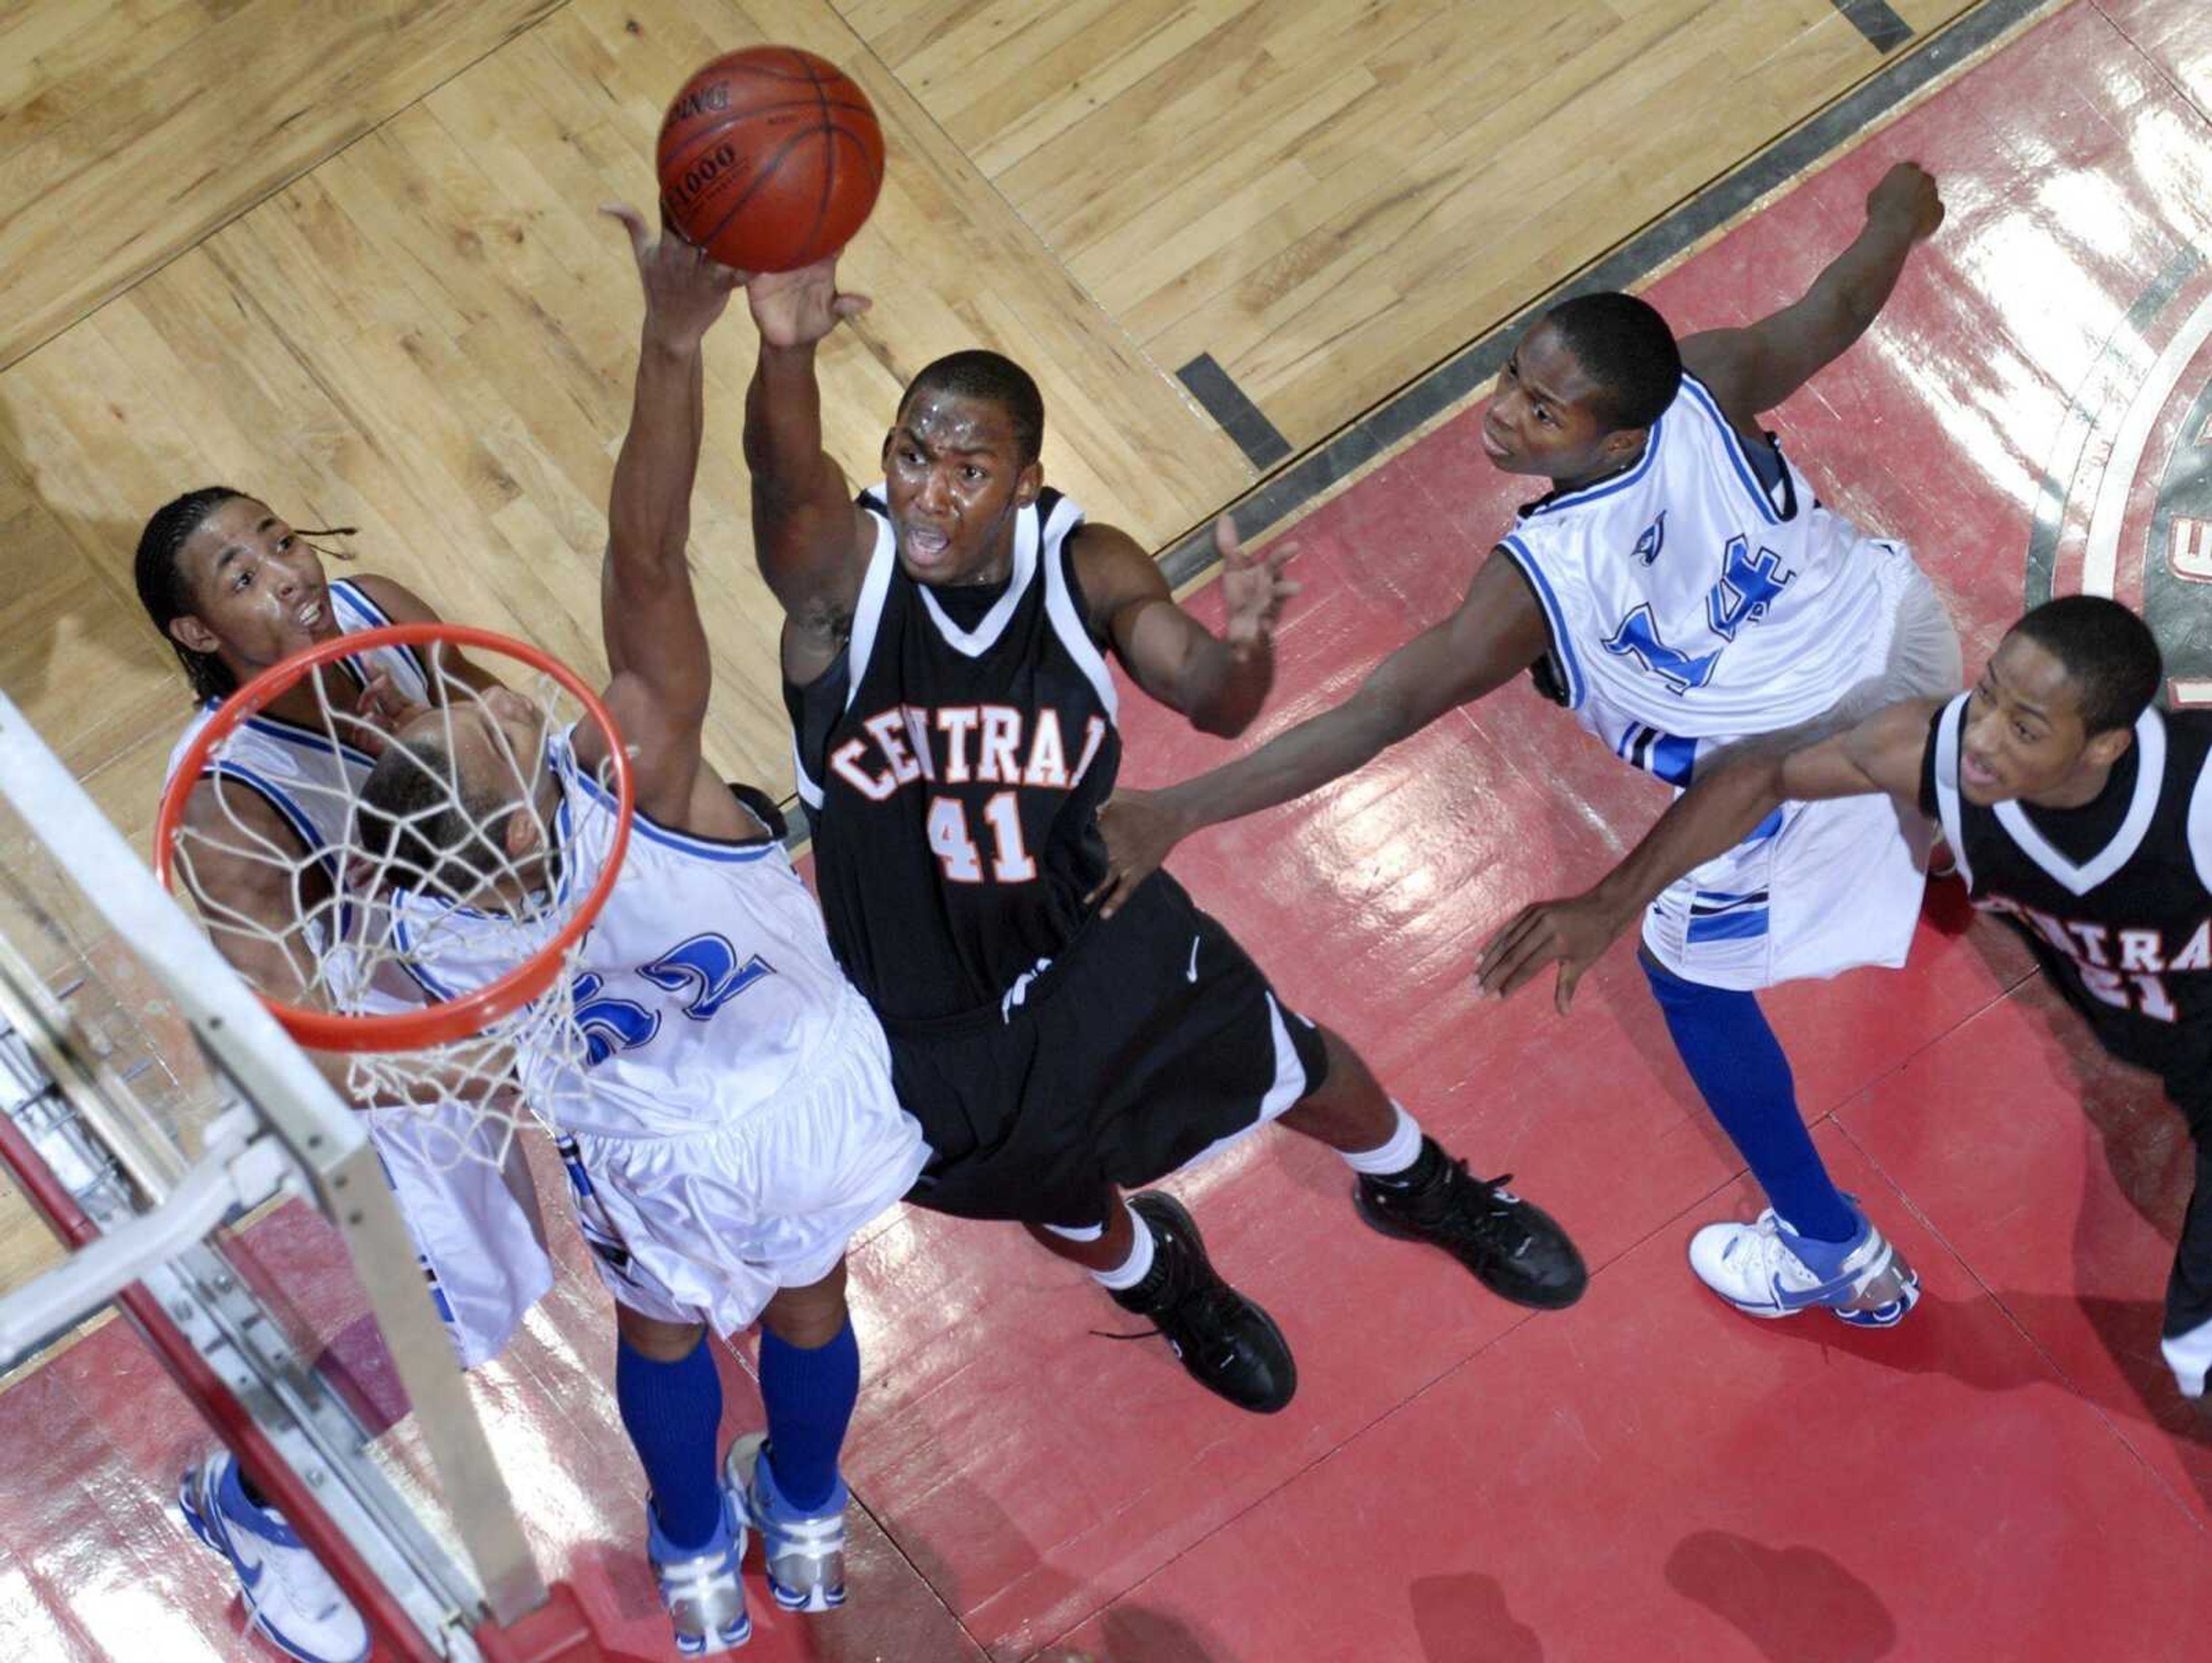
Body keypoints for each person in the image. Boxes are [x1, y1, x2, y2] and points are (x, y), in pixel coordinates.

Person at [1092, 163, 1959, 1329]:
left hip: (1808, 774)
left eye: (1544, 411)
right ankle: (1951, 837)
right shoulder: (1705, 379)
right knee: (1937, 765)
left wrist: (1186, 805)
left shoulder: (1535, 581)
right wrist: (1898, 218)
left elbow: (1379, 713)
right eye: (1515, 374)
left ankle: (1833, 1251)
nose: (1504, 411)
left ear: (1611, 445)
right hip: (1907, 632)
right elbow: (1833, 310)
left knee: (1682, 967)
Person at [737, 256, 1587, 1420]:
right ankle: (1167, 1283)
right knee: (1051, 1188)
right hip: (928, 1008)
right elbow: (783, 487)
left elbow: (1211, 697)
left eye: (969, 470)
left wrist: (1243, 647)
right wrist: (784, 352)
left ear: (1026, 484)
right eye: (912, 458)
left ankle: (1416, 1182)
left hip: (1087, 935)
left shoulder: (1082, 566)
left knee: (1288, 1061)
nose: (932, 494)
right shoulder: (848, 583)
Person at [355, 207, 927, 1656]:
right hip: (806, 1083)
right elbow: (648, 549)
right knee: (814, 1293)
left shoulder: (431, 946)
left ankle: (693, 1562)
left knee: (663, 1334)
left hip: (651, 1149)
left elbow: (435, 1081)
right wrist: (674, 339)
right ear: (500, 795)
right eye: (478, 714)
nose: (496, 687)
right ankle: (799, 1515)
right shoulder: (644, 772)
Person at [1474, 596, 2212, 1406]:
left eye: (2024, 728)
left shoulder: (2197, 800)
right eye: (1990, 693)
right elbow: (1763, 775)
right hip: (2167, 1053)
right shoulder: (1934, 752)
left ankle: (1826, 1253)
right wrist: (1611, 902)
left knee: (2197, 1352)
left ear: (2107, 744)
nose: (1984, 738)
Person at [136, 488, 556, 1663]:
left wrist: (463, 744)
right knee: (463, 1303)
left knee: (505, 1280)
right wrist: (483, 1068)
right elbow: (314, 1059)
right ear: (199, 633)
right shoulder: (230, 802)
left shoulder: (386, 621)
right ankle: (258, 1511)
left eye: (278, 537)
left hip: (449, 976)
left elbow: (522, 778)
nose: (283, 570)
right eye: (239, 573)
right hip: (342, 1057)